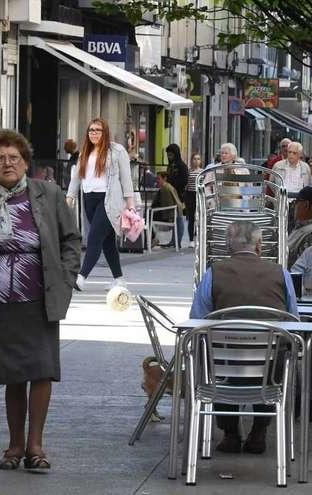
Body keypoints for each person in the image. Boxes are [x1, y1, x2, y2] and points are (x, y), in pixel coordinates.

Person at [1, 130, 80, 472]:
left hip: (39, 296)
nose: (7, 164)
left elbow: (71, 240)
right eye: (1, 159)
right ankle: (14, 446)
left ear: (26, 162)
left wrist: (65, 280)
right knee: (13, 374)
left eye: (13, 158)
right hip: (4, 301)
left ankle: (35, 445)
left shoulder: (47, 193)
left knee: (41, 371)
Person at [190, 220, 299, 454]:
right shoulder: (281, 274)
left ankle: (230, 433)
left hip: (224, 369)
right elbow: (293, 322)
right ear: (259, 246)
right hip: (268, 371)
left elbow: (196, 321)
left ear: (228, 247)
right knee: (281, 352)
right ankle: (259, 431)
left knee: (209, 351)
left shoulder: (213, 274)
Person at [66, 117, 135, 291]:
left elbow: (126, 179)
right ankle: (119, 280)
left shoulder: (117, 150)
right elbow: (77, 177)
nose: (94, 133)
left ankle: (81, 277)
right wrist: (70, 196)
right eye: (91, 130)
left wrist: (130, 204)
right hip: (89, 199)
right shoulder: (85, 152)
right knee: (107, 242)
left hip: (109, 200)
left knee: (95, 237)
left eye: (98, 130)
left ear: (105, 132)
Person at [151, 172, 186, 248]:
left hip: (170, 216)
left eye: (158, 179)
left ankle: (153, 239)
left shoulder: (165, 189)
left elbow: (165, 206)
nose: (157, 181)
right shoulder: (168, 187)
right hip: (176, 213)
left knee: (147, 217)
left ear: (165, 178)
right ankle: (174, 242)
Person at [184, 153, 204, 247]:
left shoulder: (203, 172)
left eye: (198, 159)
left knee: (200, 218)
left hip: (199, 195)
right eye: (194, 159)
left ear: (201, 161)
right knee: (191, 218)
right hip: (190, 196)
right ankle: (191, 240)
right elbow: (186, 184)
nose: (196, 161)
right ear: (192, 160)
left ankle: (199, 238)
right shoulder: (189, 171)